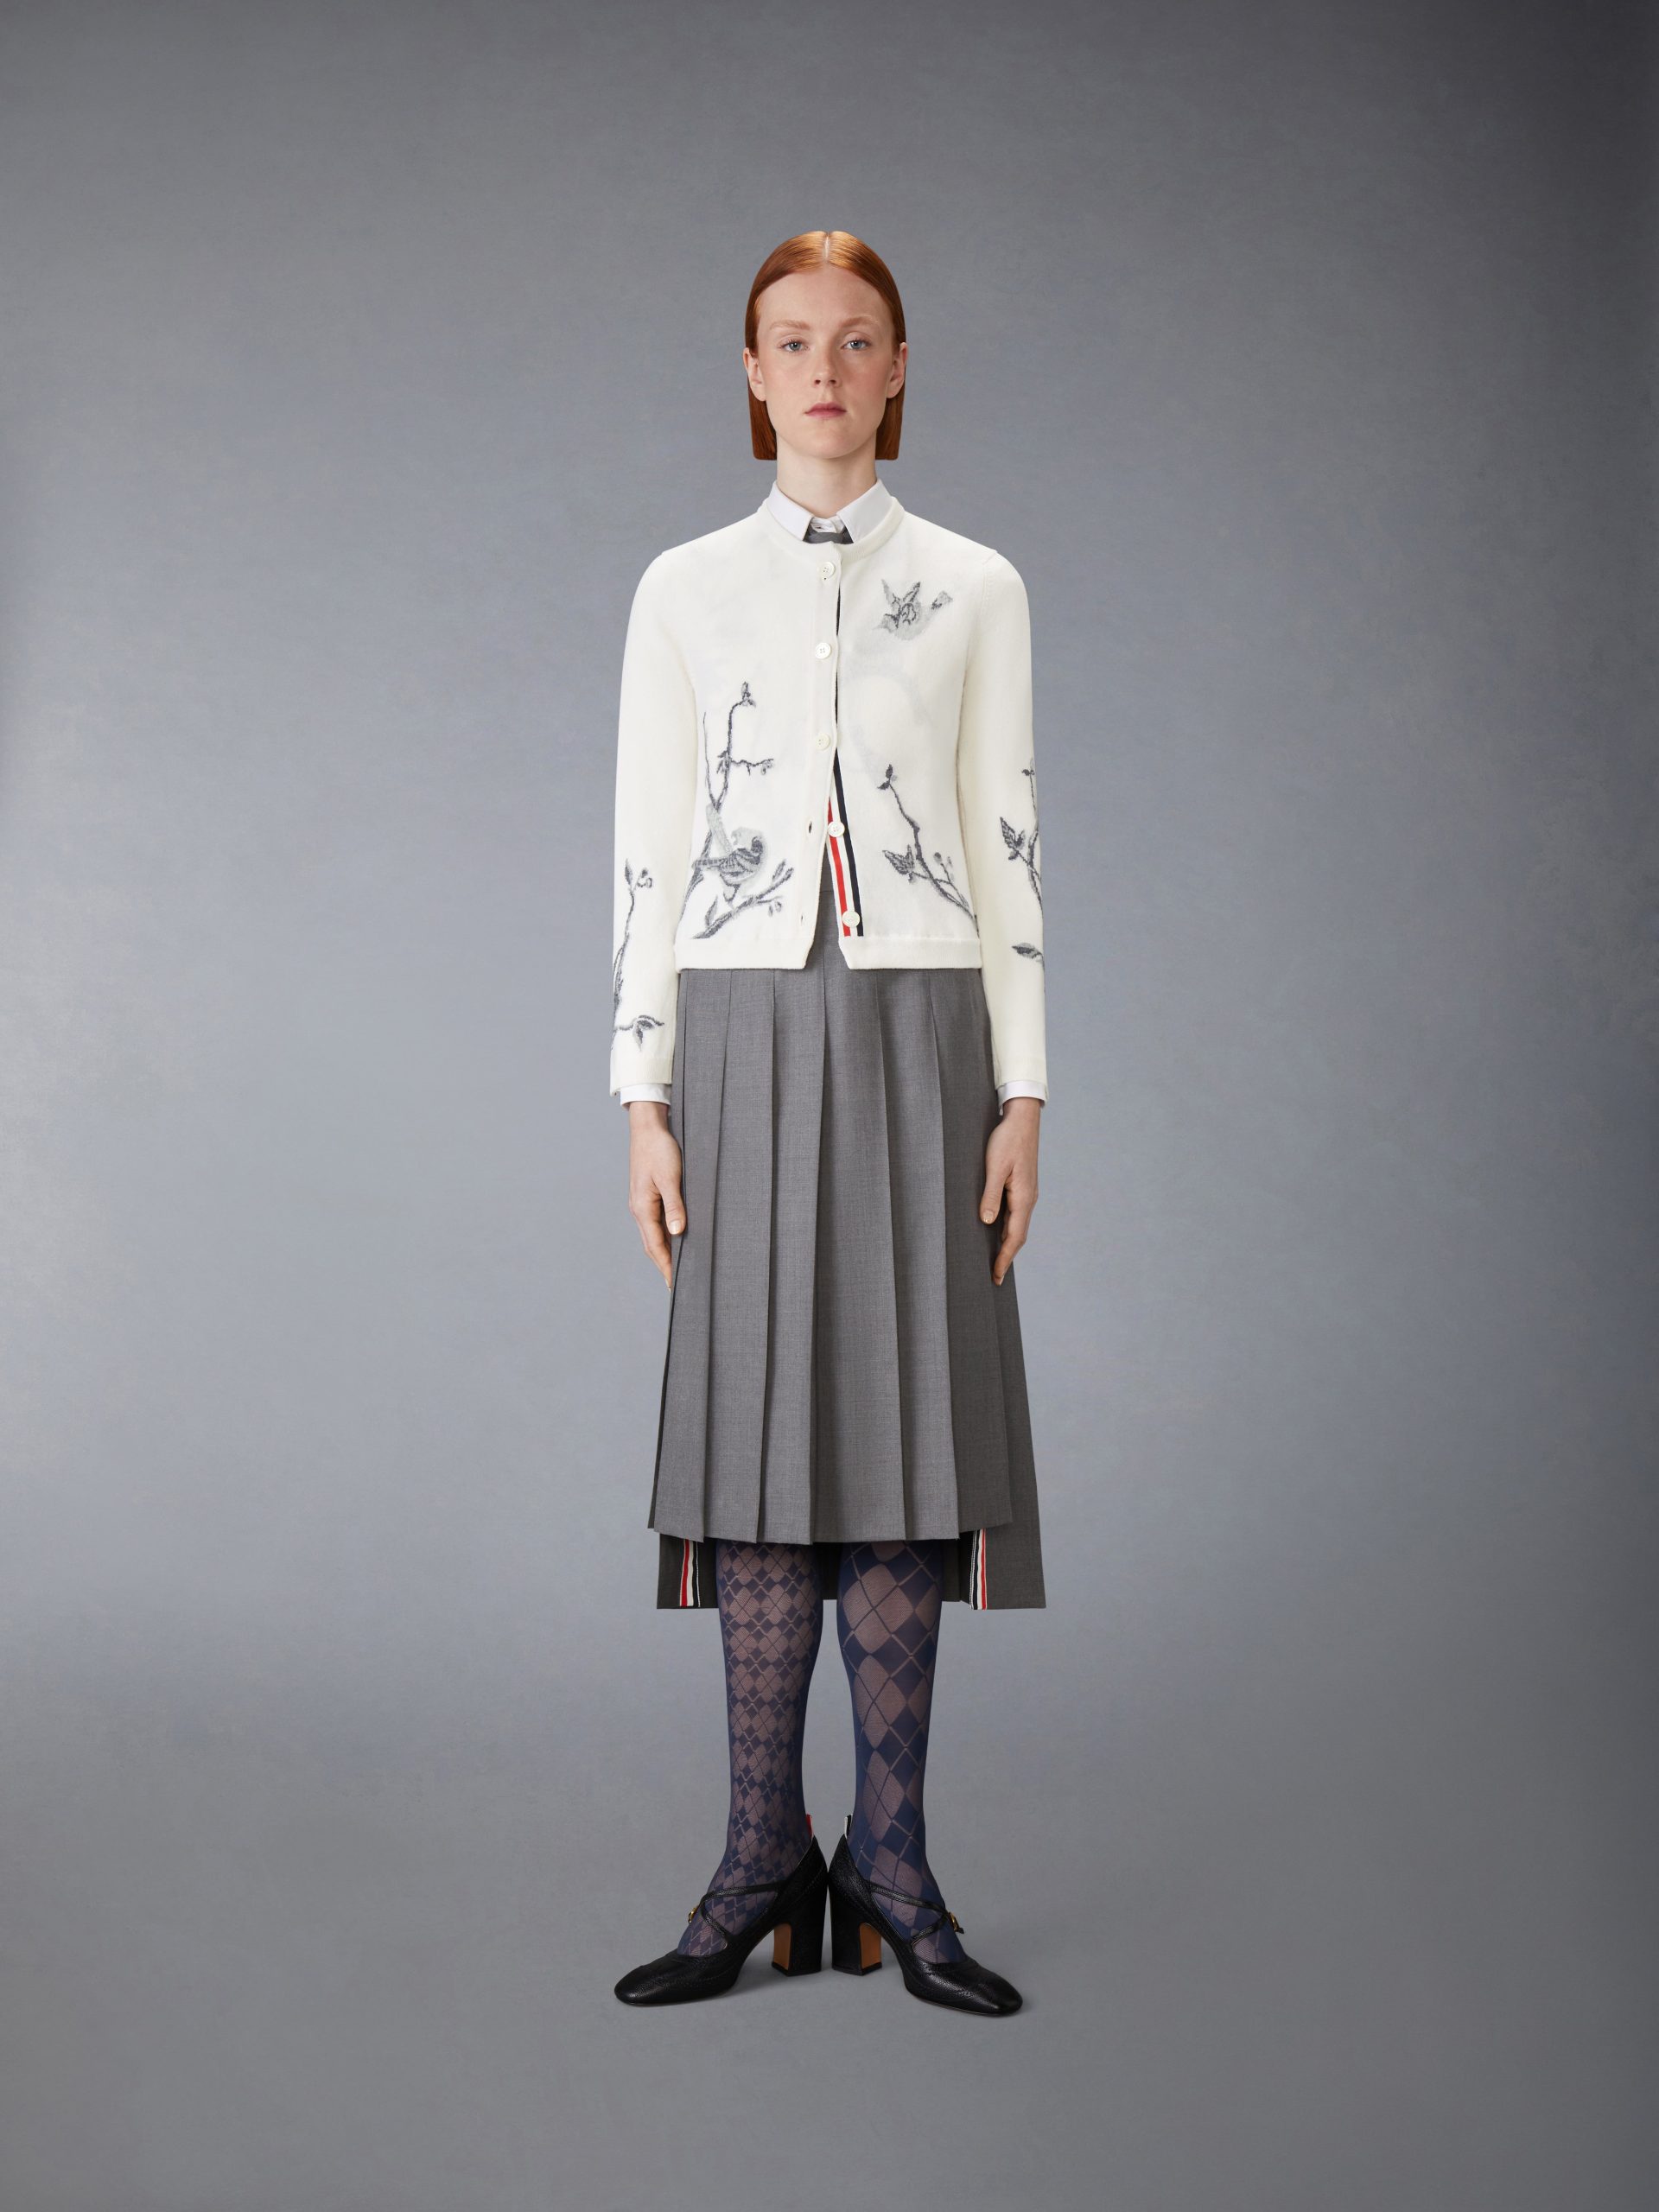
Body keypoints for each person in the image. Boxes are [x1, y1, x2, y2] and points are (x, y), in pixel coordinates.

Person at [609, 229, 1047, 2018]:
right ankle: (756, 1858)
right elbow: (646, 852)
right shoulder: (683, 590)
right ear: (749, 370)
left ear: (898, 366)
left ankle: (896, 1863)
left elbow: (1008, 840)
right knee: (759, 1450)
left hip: (925, 1033)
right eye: (790, 341)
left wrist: (1027, 1089)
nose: (822, 370)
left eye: (855, 341)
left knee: (905, 1442)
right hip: (735, 1031)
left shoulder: (978, 587)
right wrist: (642, 1093)